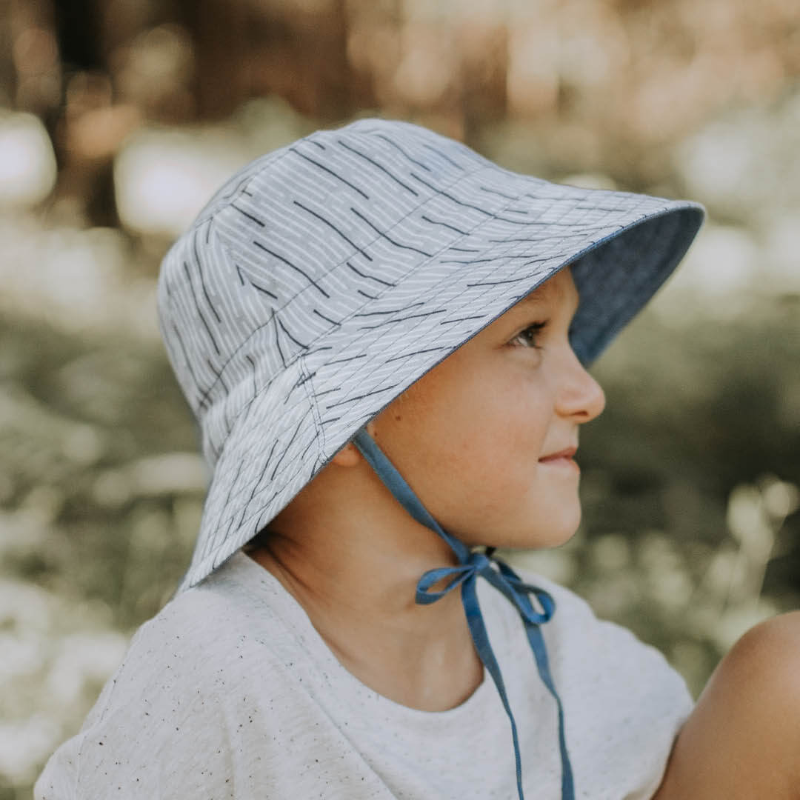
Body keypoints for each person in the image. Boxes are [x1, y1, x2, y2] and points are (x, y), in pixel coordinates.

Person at [36, 119, 800, 799]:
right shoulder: (217, 673)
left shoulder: (555, 650)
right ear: (343, 412)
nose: (588, 393)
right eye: (529, 335)